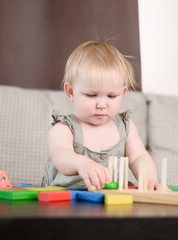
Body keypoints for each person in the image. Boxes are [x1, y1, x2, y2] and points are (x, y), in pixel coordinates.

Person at [42, 40, 168, 191]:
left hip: (112, 200)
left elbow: (139, 158)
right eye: (91, 95)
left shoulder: (125, 128)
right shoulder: (64, 129)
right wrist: (83, 164)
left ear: (122, 93)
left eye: (111, 96)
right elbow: (60, 155)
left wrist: (149, 180)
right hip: (66, 199)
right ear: (70, 92)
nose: (102, 104)